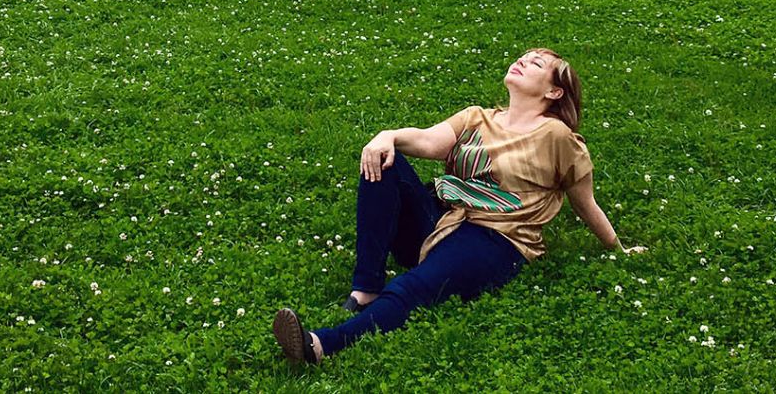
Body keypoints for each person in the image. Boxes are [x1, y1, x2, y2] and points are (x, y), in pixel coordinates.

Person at [272, 48, 646, 368]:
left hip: (496, 238)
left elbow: (586, 203)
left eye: (535, 63)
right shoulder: (477, 117)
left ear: (553, 90)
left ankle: (319, 345)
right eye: (523, 56)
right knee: (384, 162)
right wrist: (388, 137)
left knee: (415, 286)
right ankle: (366, 287)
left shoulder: (558, 138)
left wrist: (618, 248)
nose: (522, 61)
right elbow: (430, 142)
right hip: (441, 217)